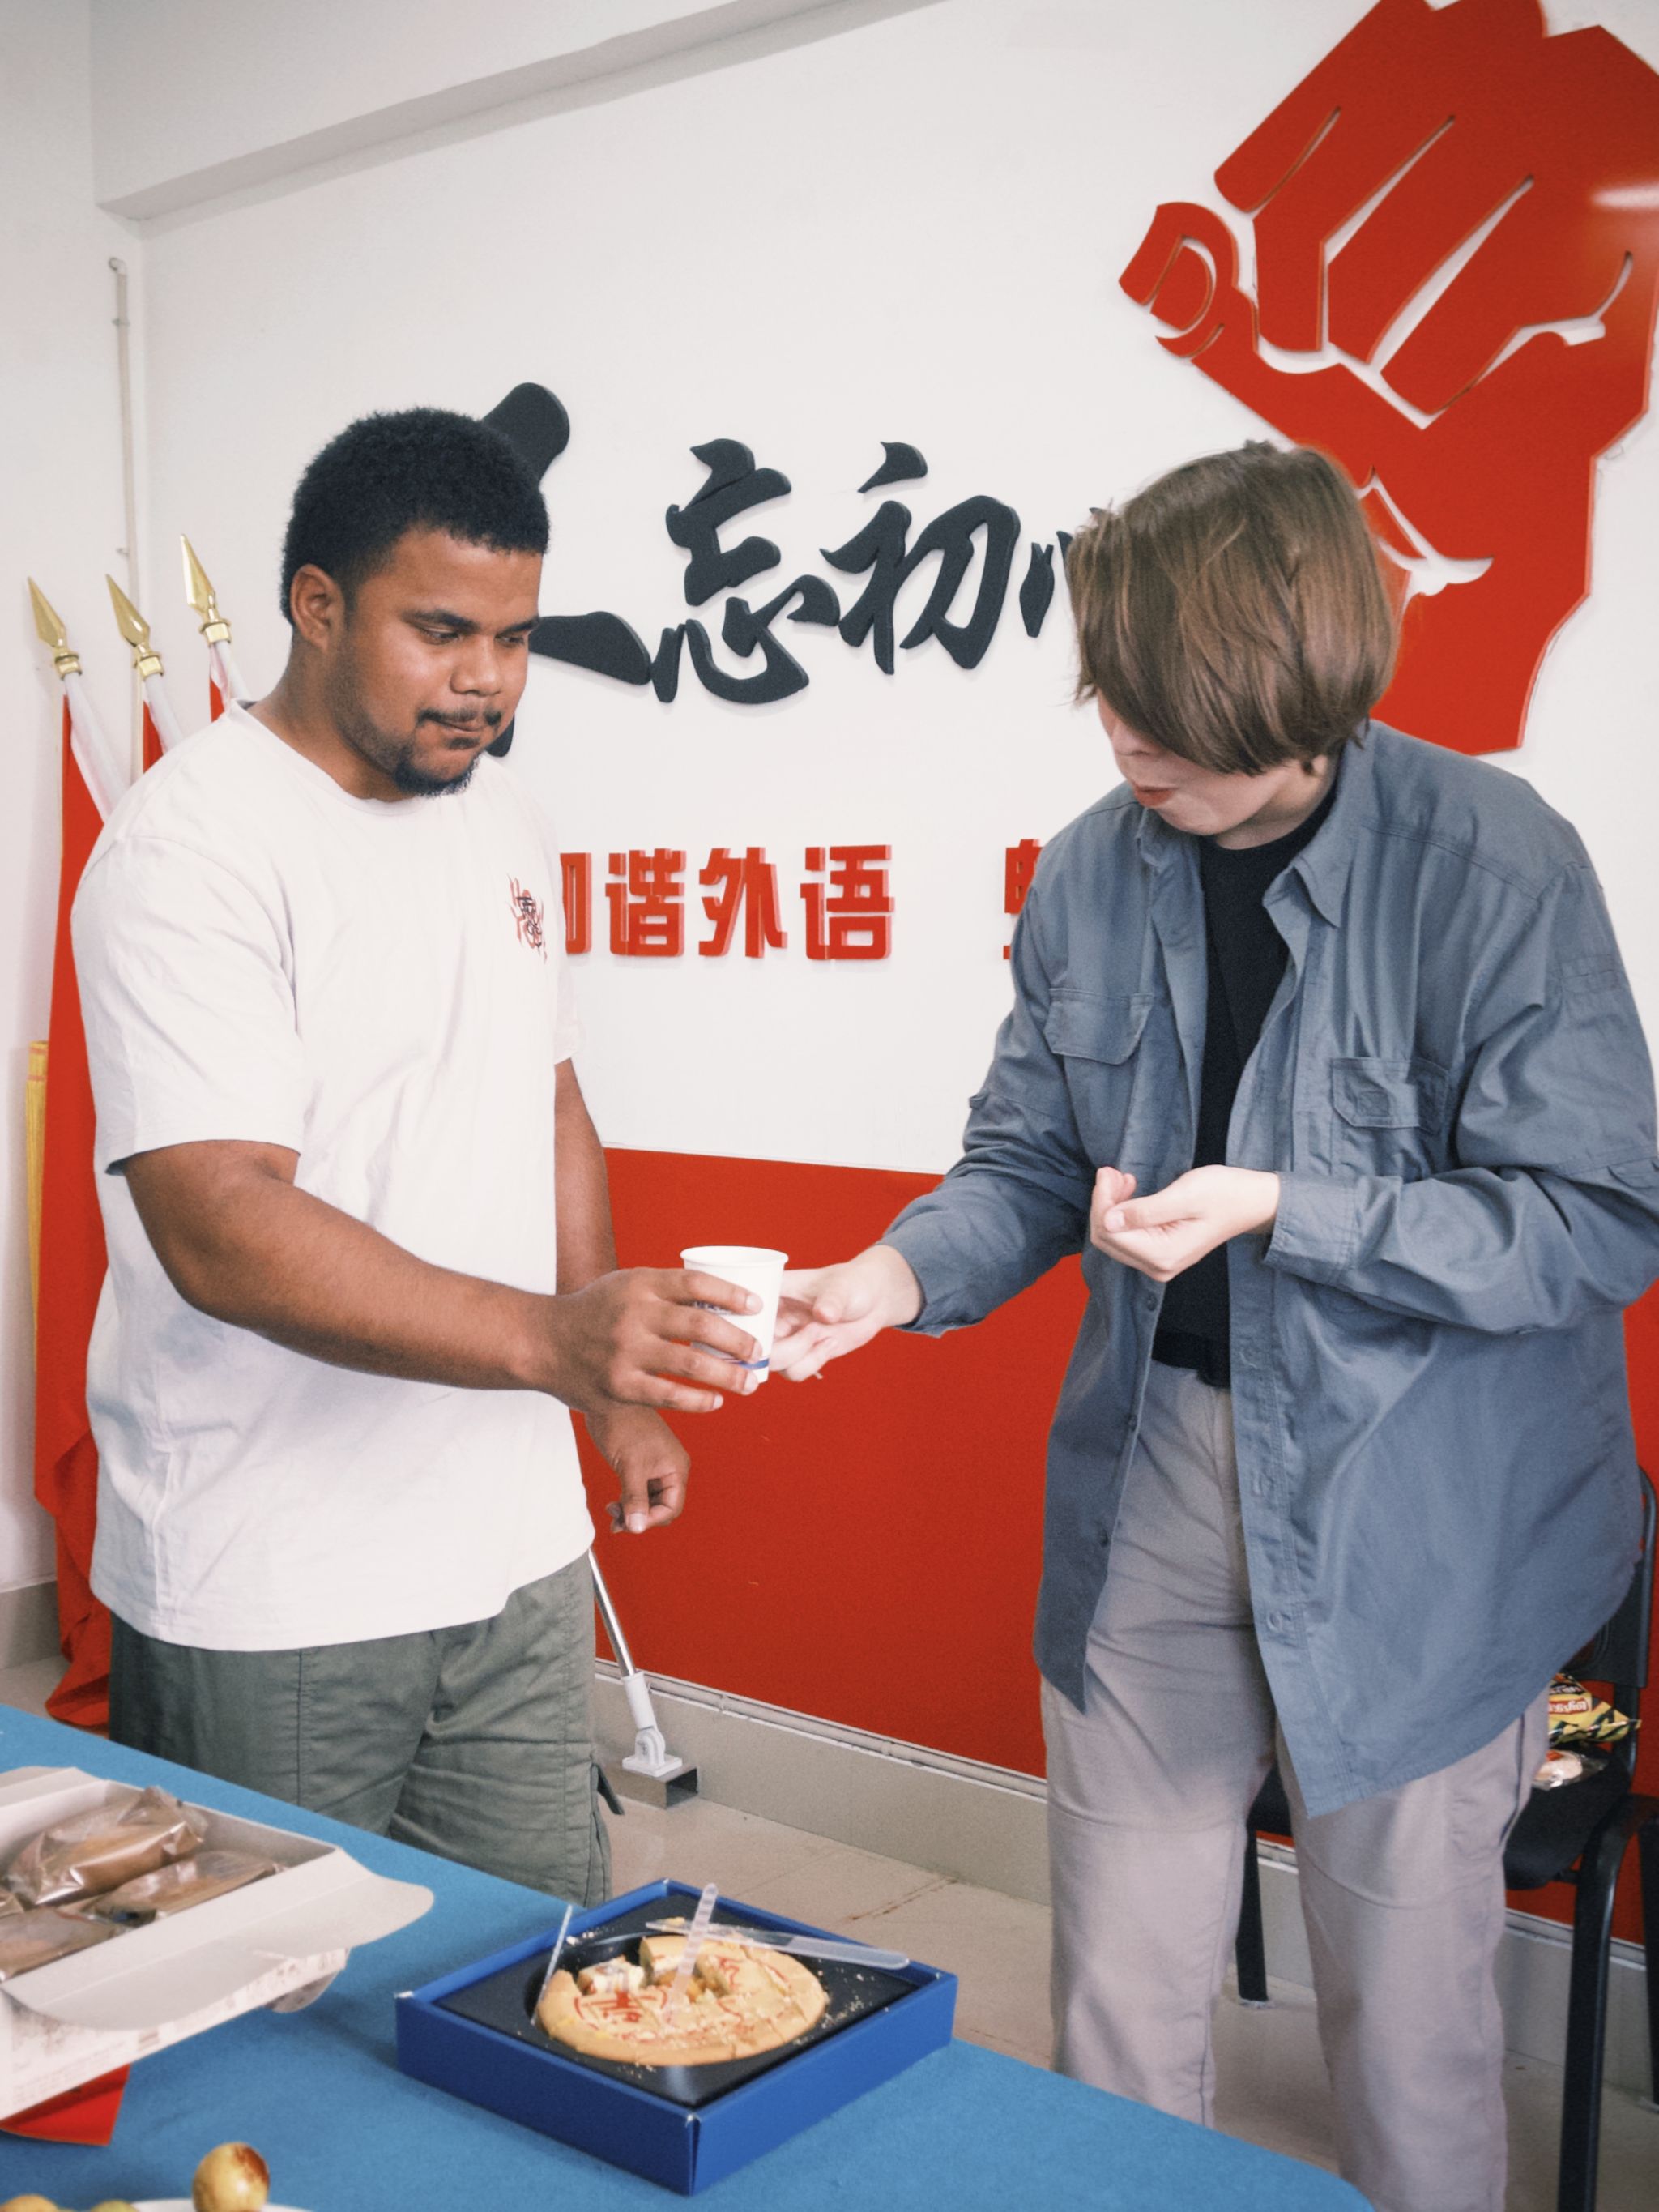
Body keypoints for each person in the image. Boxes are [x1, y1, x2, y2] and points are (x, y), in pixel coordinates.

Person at [771, 442, 1659, 2212]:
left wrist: (1284, 1207)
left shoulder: (1493, 864)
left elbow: (1595, 1220)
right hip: (1161, 1476)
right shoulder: (1089, 874)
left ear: (1297, 684)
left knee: (1408, 2038)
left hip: (1431, 1497)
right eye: (1111, 690)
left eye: (1167, 709)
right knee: (1115, 1999)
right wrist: (889, 1277)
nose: (1124, 738)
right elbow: (1025, 1159)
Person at [73, 408, 763, 1903]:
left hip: (511, 1549)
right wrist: (550, 1341)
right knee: (269, 1989)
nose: (486, 681)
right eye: (441, 631)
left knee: (533, 1966)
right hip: (272, 1574)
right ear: (318, 605)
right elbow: (220, 1221)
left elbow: (548, 1100)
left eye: (514, 638)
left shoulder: (501, 816)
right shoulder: (189, 848)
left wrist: (608, 1385)